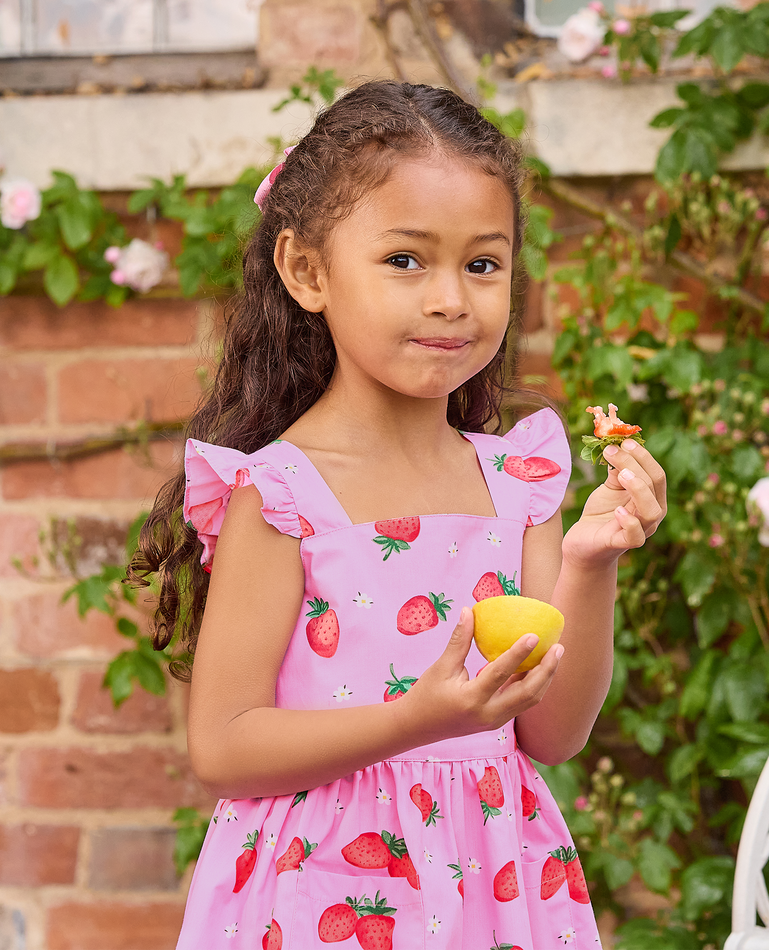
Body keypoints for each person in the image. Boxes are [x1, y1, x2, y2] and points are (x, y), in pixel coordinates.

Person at [131, 80, 666, 948]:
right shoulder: (283, 495)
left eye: (483, 265)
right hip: (325, 896)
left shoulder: (517, 484)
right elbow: (223, 747)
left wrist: (591, 561)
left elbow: (553, 731)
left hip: (493, 886)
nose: (451, 298)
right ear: (308, 272)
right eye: (406, 261)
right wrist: (415, 722)